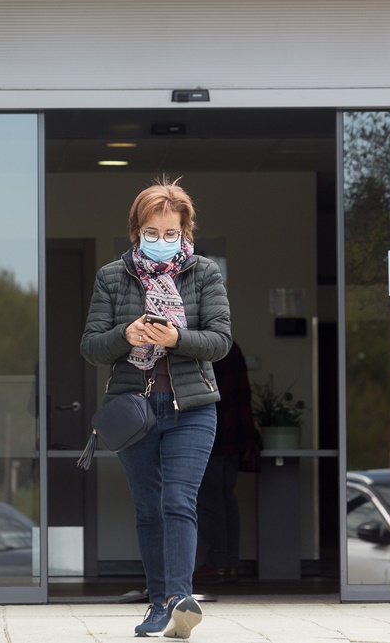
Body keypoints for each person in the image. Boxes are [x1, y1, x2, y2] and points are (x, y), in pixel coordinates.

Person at [80, 178, 231, 640]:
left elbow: (221, 341)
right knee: (148, 509)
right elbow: (91, 347)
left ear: (186, 231)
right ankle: (158, 601)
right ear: (136, 231)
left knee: (177, 500)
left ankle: (177, 600)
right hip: (135, 410)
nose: (161, 242)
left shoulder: (205, 273)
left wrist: (177, 339)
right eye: (152, 232)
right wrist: (126, 335)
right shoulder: (111, 276)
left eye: (171, 233)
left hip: (193, 408)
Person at [195, 340, 260, 583]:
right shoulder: (231, 346)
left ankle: (218, 562)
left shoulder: (207, 348)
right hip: (235, 436)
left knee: (210, 501)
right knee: (225, 498)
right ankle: (230, 562)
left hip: (214, 435)